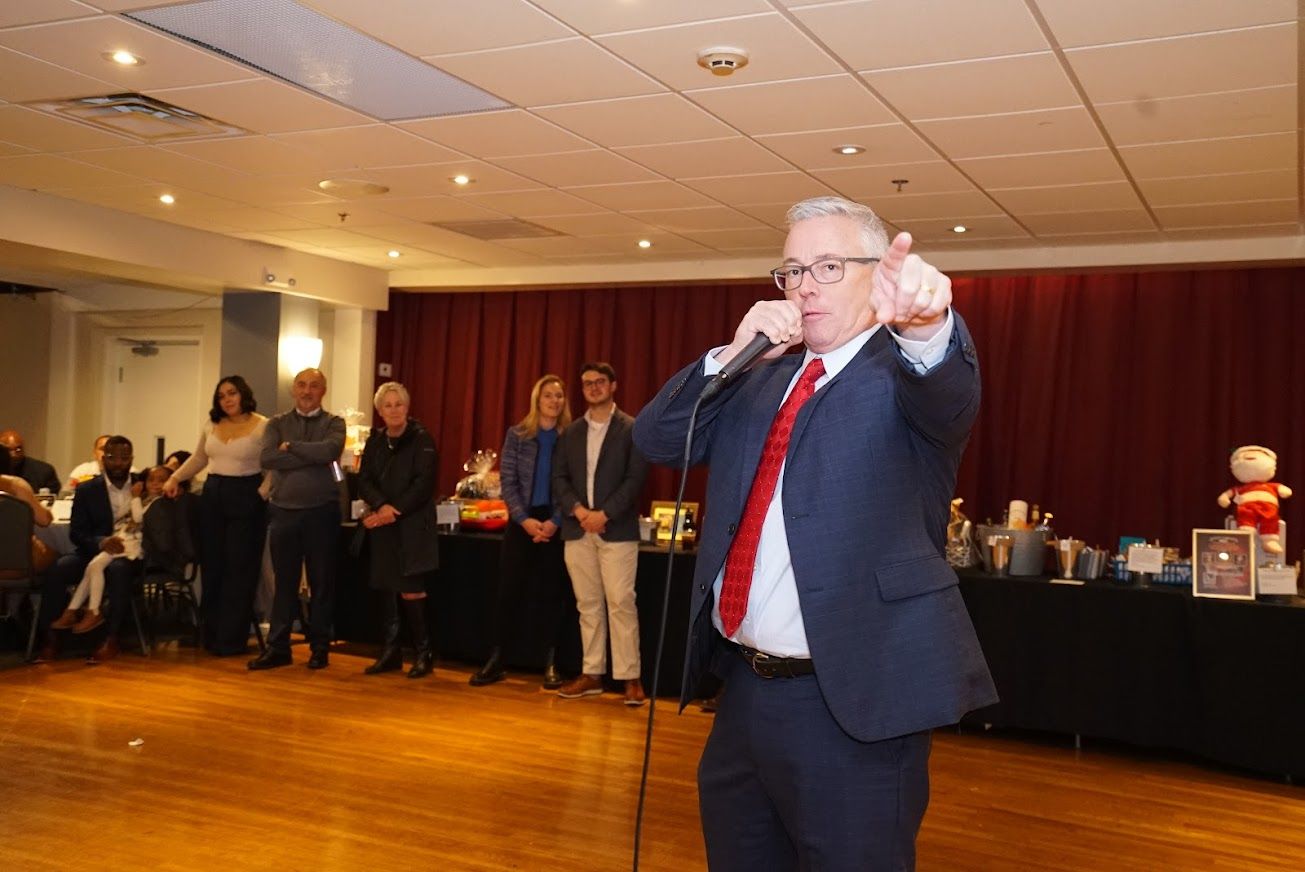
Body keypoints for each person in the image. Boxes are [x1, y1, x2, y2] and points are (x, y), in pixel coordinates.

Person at [633, 195, 997, 871]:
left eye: (827, 266)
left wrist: (927, 324)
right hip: (741, 693)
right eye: (792, 270)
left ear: (876, 275)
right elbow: (657, 438)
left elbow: (944, 385)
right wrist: (735, 350)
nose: (803, 285)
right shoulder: (759, 374)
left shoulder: (903, 374)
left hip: (851, 704)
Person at [552, 362, 649, 706]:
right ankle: (592, 673)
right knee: (588, 605)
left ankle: (630, 677)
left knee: (621, 603)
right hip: (577, 530)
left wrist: (604, 514)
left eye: (599, 382)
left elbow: (635, 480)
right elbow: (559, 479)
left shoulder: (631, 429)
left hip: (617, 530)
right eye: (587, 383)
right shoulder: (571, 433)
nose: (593, 387)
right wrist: (580, 513)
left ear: (613, 386)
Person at [470, 374, 572, 689]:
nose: (554, 401)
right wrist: (523, 519)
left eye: (559, 396)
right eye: (548, 396)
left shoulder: (570, 436)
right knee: (508, 592)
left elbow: (574, 484)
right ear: (536, 401)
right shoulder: (517, 435)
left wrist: (554, 521)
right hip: (521, 522)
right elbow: (508, 481)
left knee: (552, 594)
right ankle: (497, 660)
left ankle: (552, 662)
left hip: (555, 523)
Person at [164, 376, 268, 655]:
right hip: (213, 495)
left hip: (246, 494)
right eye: (221, 396)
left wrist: (261, 495)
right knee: (214, 567)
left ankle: (231, 640)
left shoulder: (263, 425)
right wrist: (174, 478)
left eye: (232, 393)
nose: (227, 400)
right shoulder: (211, 423)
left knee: (240, 568)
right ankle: (211, 636)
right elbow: (199, 458)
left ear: (243, 394)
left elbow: (274, 468)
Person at [249, 368, 345, 671]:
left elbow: (330, 450)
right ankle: (279, 647)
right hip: (283, 512)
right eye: (302, 385)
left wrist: (291, 447)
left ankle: (319, 649)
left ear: (323, 391)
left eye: (314, 386)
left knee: (321, 583)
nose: (307, 391)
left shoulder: (334, 423)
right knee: (284, 584)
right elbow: (267, 458)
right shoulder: (277, 423)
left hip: (322, 513)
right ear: (294, 389)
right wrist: (310, 454)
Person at [35, 435, 144, 664]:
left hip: (129, 553)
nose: (118, 463)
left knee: (118, 570)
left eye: (124, 458)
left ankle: (111, 639)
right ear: (103, 459)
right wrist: (101, 542)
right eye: (112, 458)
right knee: (59, 568)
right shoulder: (87, 489)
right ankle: (50, 639)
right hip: (93, 550)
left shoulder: (141, 485)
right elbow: (77, 532)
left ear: (131, 459)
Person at [356, 382, 439, 679]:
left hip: (413, 525)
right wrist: (381, 506)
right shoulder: (375, 441)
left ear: (407, 407)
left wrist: (392, 511)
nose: (393, 410)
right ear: (379, 411)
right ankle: (390, 653)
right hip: (383, 523)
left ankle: (423, 654)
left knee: (412, 591)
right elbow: (363, 479)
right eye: (387, 405)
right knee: (387, 587)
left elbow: (423, 484)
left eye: (398, 404)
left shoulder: (422, 439)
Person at [51, 466, 167, 635]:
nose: (156, 484)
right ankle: (74, 610)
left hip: (133, 546)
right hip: (122, 539)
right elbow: (120, 515)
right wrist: (132, 498)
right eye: (151, 480)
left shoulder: (160, 503)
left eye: (161, 480)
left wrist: (134, 498)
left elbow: (138, 519)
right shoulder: (145, 499)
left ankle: (91, 611)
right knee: (93, 566)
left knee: (95, 566)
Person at [0, 430, 60, 495]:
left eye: (18, 449)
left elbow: (53, 498)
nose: (13, 454)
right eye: (8, 450)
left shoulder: (44, 471)